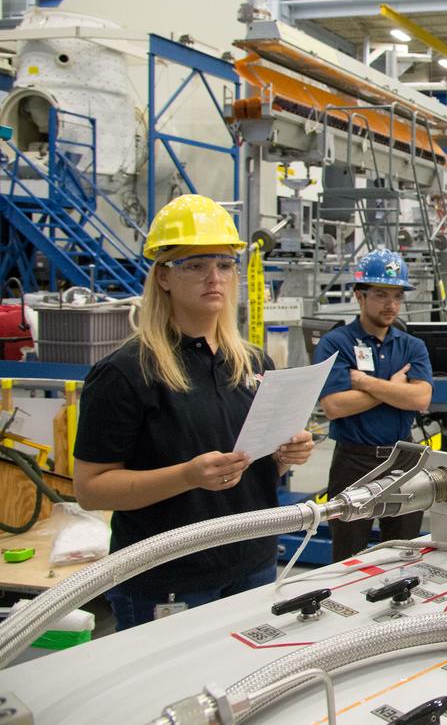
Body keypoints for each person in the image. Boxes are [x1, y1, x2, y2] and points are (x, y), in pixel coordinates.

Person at [74, 194, 314, 630]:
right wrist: (187, 476)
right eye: (195, 264)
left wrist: (281, 458)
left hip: (253, 561)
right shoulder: (126, 372)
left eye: (224, 264)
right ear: (163, 276)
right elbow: (91, 489)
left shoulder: (253, 364)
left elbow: (253, 471)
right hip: (168, 577)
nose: (214, 278)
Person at [315, 248, 433, 562]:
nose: (391, 304)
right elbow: (335, 406)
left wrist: (366, 383)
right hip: (353, 461)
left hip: (404, 460)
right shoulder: (335, 343)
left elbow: (421, 398)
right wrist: (394, 390)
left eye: (397, 296)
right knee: (348, 556)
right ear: (360, 296)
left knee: (404, 554)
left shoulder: (412, 345)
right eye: (381, 294)